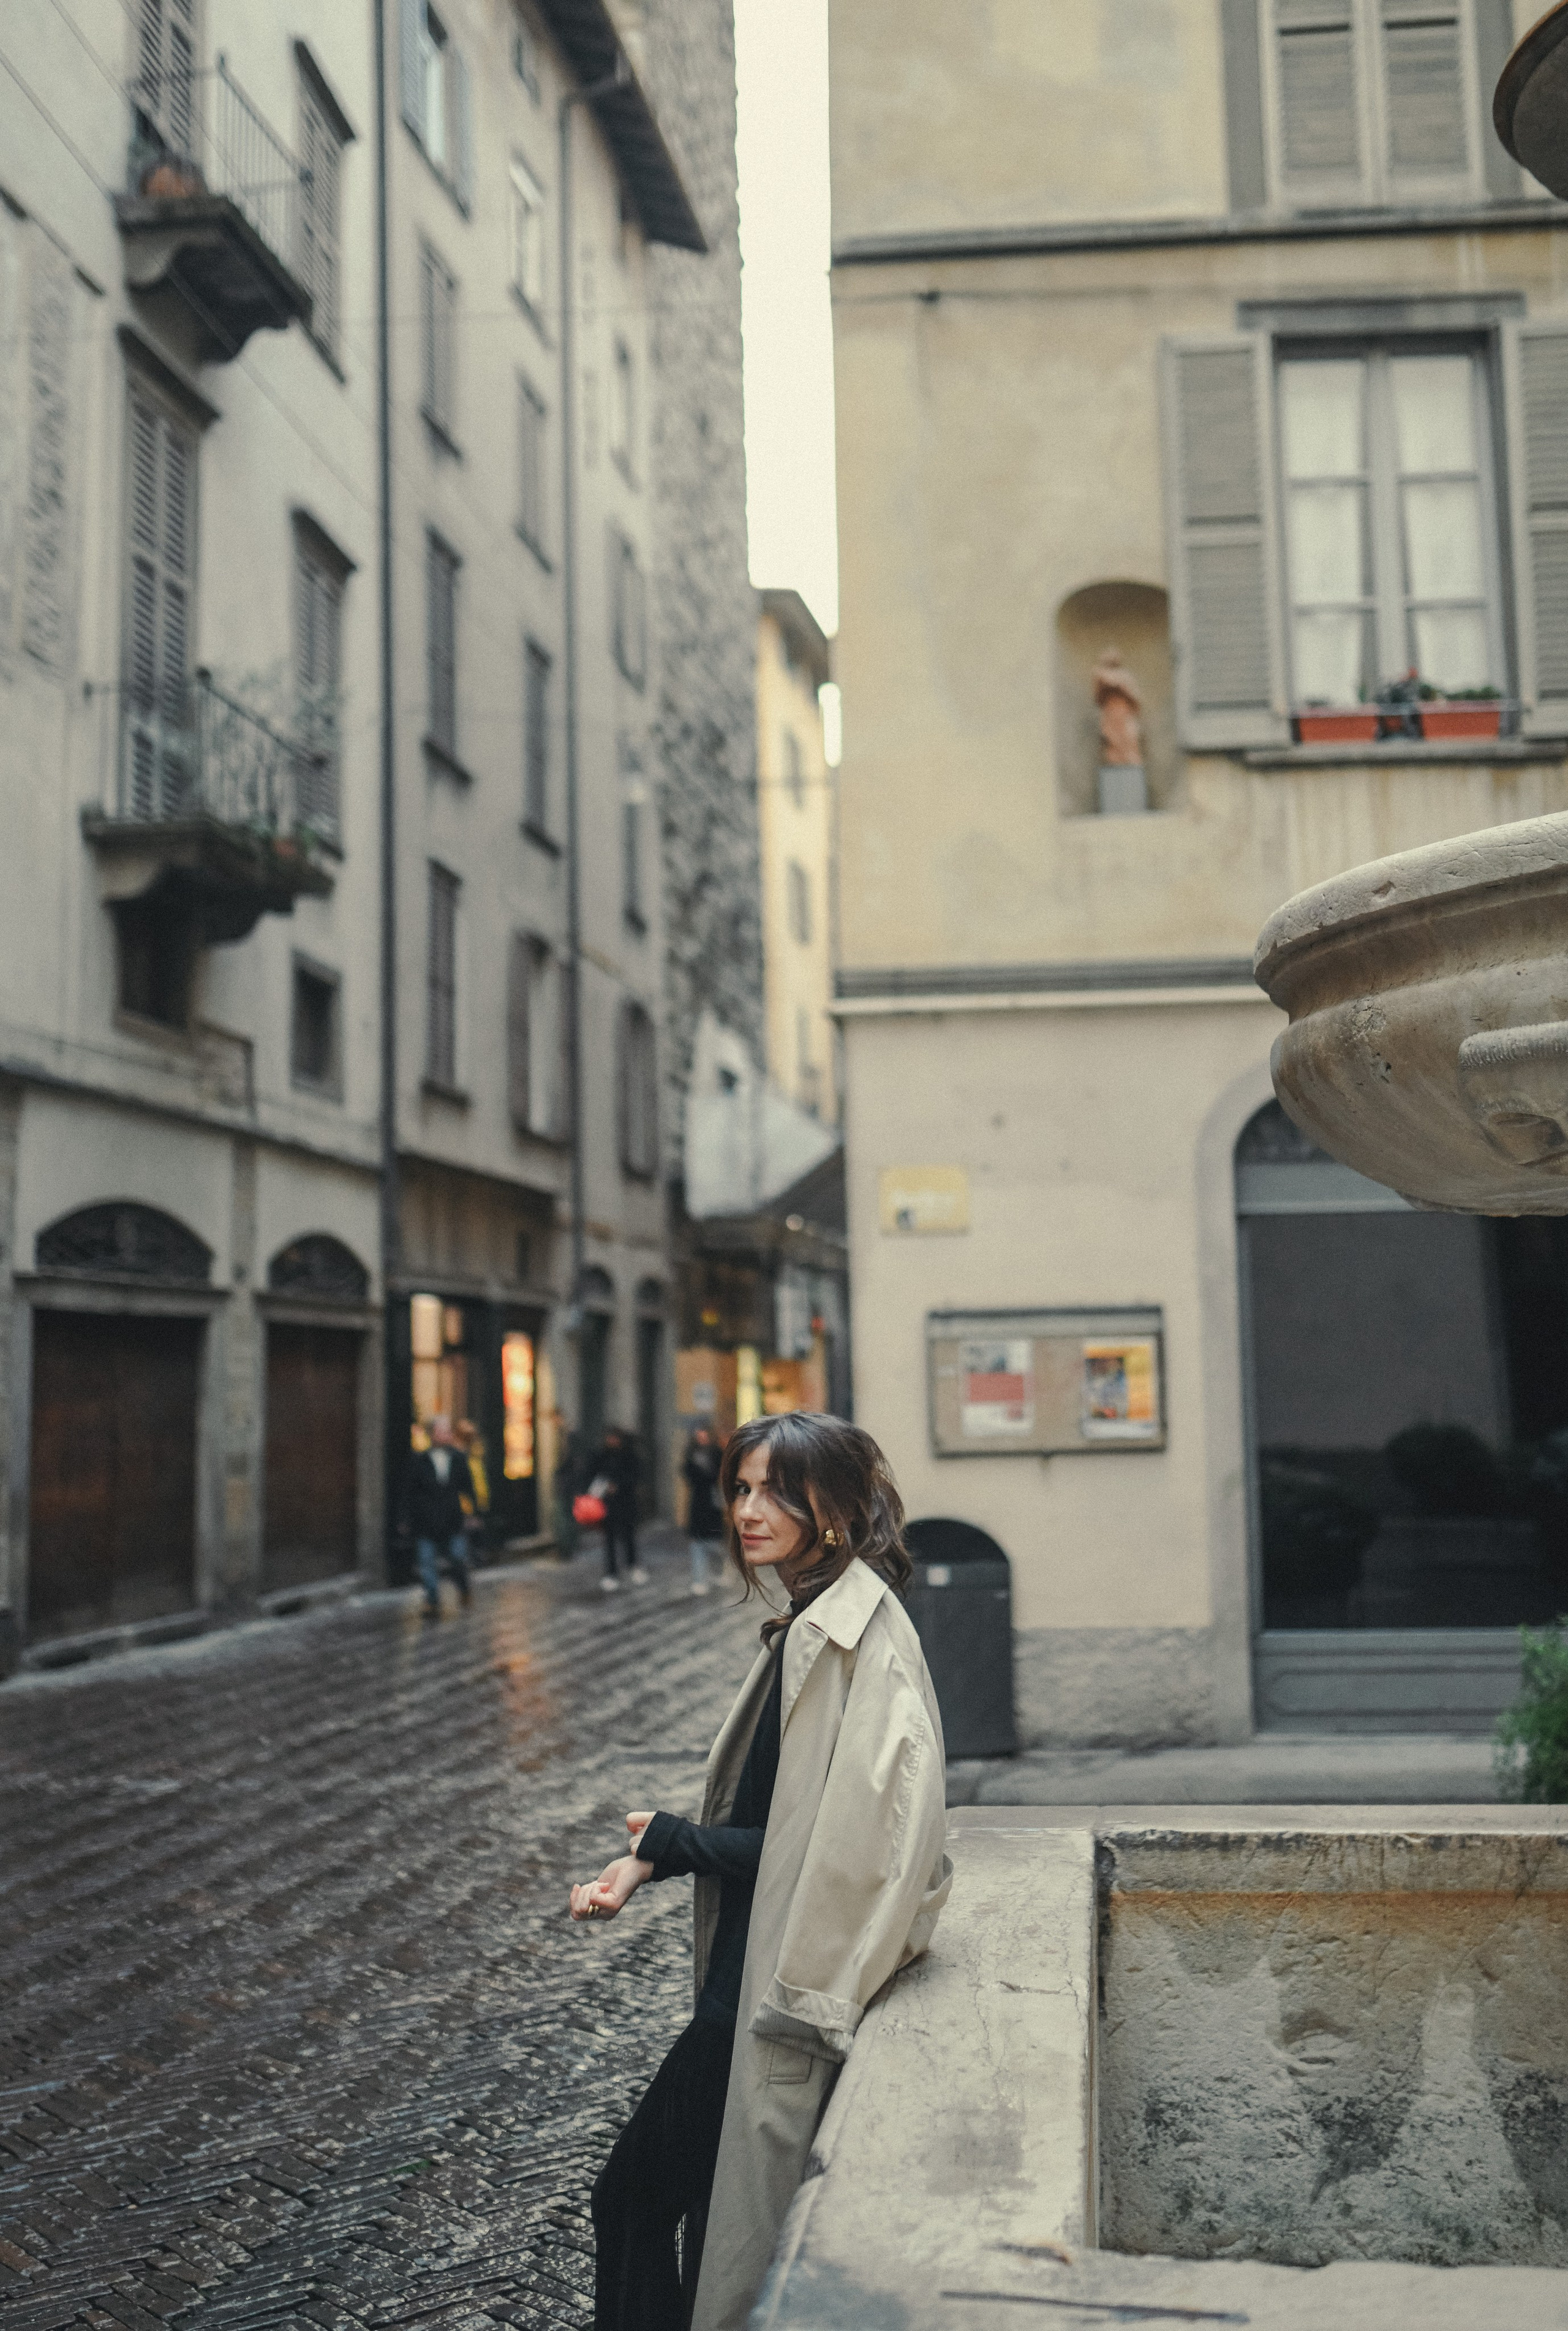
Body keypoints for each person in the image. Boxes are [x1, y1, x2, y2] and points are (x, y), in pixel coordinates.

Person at [568, 1411, 952, 2331]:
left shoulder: (855, 1642)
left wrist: (668, 1840)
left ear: (835, 1507)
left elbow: (830, 1850)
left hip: (767, 1997)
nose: (748, 1509)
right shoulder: (818, 1620)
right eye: (739, 1487)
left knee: (636, 2199)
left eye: (776, 1489)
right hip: (752, 1977)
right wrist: (652, 1857)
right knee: (696, 2215)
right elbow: (780, 1831)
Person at [408, 1415, 477, 1617]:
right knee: (427, 1562)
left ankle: (463, 1588)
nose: (447, 1435)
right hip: (426, 1521)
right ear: (433, 1434)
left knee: (457, 1558)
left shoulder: (458, 1458)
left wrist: (473, 1513)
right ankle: (432, 1600)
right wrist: (406, 1518)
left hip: (452, 1520)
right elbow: (410, 1491)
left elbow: (468, 1487)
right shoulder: (419, 1460)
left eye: (448, 1432)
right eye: (443, 1431)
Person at [593, 1424, 647, 1593]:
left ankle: (632, 1566)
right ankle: (611, 1573)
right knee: (609, 1540)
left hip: (626, 1503)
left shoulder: (629, 1455)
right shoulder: (602, 1455)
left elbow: (636, 1476)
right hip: (608, 1505)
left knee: (628, 1536)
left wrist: (620, 1486)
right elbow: (593, 1473)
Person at [682, 1423, 724, 1597]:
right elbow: (687, 1474)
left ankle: (720, 1571)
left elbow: (718, 1474)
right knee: (698, 1544)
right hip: (698, 1504)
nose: (701, 1438)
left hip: (713, 1502)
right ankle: (700, 1580)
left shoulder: (717, 1453)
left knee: (715, 1544)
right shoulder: (690, 1455)